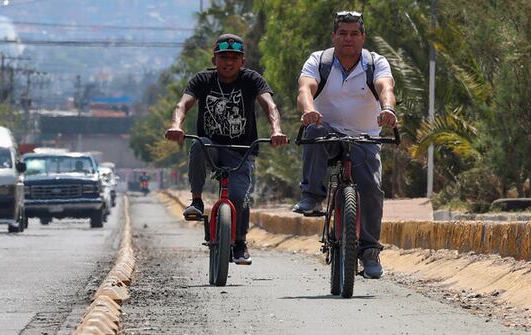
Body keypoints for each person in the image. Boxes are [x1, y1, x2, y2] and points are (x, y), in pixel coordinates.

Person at [165, 33, 288, 265]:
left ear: (243, 61)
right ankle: (197, 201)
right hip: (212, 147)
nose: (228, 62)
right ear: (214, 60)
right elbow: (182, 105)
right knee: (199, 145)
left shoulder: (252, 80)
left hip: (241, 150)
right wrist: (175, 125)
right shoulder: (202, 80)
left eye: (234, 57)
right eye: (223, 57)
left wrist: (276, 131)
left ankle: (240, 243)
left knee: (239, 197)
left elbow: (270, 106)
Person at [294, 10, 397, 279]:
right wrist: (308, 110)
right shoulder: (319, 60)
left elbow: (386, 87)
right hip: (329, 134)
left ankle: (370, 251)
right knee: (313, 131)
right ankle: (312, 196)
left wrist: (387, 109)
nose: (348, 39)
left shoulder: (375, 63)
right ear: (334, 36)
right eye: (342, 33)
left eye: (354, 34)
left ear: (363, 37)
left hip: (365, 138)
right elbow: (306, 89)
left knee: (372, 190)